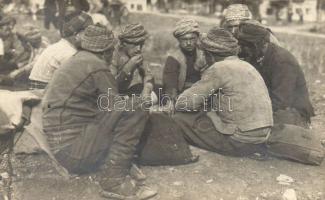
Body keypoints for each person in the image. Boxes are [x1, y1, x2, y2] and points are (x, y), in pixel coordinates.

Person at [42, 24, 157, 200]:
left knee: (128, 107)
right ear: (106, 51)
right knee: (136, 109)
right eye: (111, 50)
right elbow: (116, 108)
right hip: (73, 152)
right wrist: (144, 94)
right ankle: (113, 182)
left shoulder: (78, 59)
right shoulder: (97, 67)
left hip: (63, 145)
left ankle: (116, 165)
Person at [173, 27, 274, 157]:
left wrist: (202, 70)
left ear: (209, 54)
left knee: (180, 119)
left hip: (240, 141)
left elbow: (185, 103)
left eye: (203, 53)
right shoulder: (247, 66)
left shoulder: (218, 68)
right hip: (263, 137)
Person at [236, 21, 315, 127]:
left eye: (245, 46)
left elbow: (281, 101)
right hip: (272, 106)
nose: (242, 49)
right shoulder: (257, 55)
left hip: (293, 112)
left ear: (259, 44)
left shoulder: (282, 61)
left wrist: (251, 111)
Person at [29, 12, 93, 90]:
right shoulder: (68, 53)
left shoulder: (61, 46)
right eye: (87, 34)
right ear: (77, 35)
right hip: (44, 92)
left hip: (41, 88)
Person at [162, 18, 206, 106]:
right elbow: (171, 83)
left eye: (192, 38)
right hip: (182, 94)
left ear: (197, 37)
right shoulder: (173, 58)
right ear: (178, 40)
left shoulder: (203, 52)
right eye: (184, 39)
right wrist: (171, 100)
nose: (189, 43)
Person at [110, 23, 152, 96]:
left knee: (158, 88)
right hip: (110, 94)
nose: (138, 48)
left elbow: (148, 75)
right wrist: (128, 67)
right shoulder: (113, 55)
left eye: (141, 44)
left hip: (126, 92)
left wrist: (146, 90)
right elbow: (110, 86)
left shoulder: (135, 53)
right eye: (135, 44)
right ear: (124, 43)